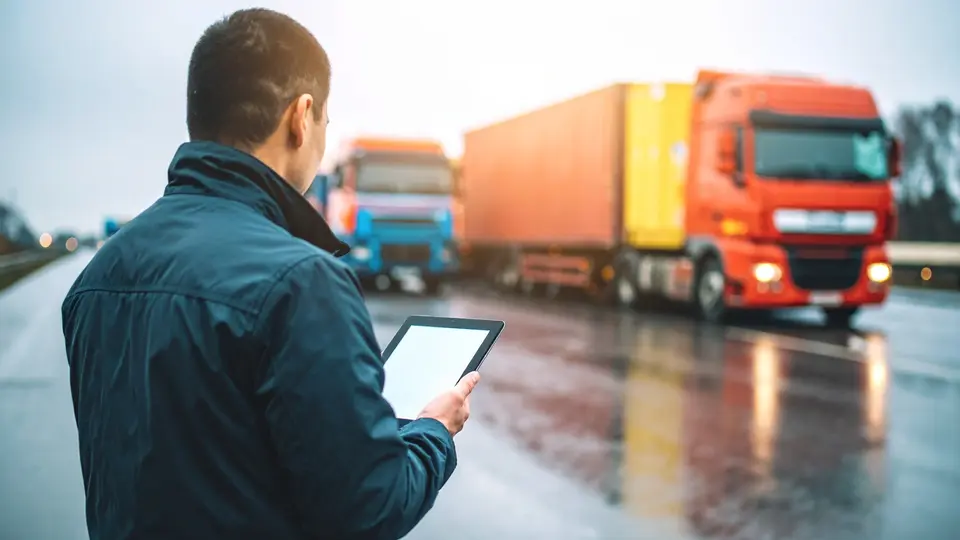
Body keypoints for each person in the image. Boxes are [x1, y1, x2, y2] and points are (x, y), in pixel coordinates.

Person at [61, 8, 479, 540]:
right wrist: (434, 432)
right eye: (326, 121)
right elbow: (369, 510)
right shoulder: (303, 282)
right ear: (302, 117)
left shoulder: (97, 276)